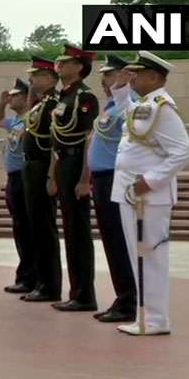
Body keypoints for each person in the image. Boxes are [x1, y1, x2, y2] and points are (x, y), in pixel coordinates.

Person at [111, 51, 189, 336]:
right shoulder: (144, 104)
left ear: (155, 77)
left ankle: (154, 320)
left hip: (149, 196)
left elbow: (182, 150)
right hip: (132, 192)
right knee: (138, 255)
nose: (133, 77)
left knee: (150, 256)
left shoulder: (162, 107)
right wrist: (119, 87)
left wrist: (151, 180)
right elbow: (126, 113)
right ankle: (146, 317)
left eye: (138, 73)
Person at [49, 44, 99, 312]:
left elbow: (89, 138)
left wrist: (84, 179)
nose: (59, 65)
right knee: (69, 229)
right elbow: (58, 135)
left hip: (78, 161)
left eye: (64, 61)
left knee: (79, 231)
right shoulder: (64, 97)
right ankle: (76, 291)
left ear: (79, 66)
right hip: (64, 161)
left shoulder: (85, 97)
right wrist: (53, 174)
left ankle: (84, 295)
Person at [88, 54, 137, 323]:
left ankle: (129, 300)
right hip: (102, 178)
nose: (103, 79)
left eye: (108, 74)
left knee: (119, 240)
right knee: (110, 240)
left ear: (122, 76)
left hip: (114, 177)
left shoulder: (130, 107)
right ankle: (122, 297)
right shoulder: (110, 106)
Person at [20, 57, 62, 303]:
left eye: (37, 75)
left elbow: (56, 141)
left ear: (51, 78)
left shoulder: (53, 103)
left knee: (44, 227)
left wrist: (51, 174)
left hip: (42, 165)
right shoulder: (40, 103)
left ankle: (49, 285)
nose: (32, 79)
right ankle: (40, 280)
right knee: (34, 226)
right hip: (30, 164)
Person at [0, 78, 36, 294]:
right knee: (19, 226)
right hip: (13, 177)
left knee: (27, 227)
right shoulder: (17, 121)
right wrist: (1, 103)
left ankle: (30, 276)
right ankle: (24, 274)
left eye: (16, 95)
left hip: (24, 176)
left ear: (26, 97)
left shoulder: (30, 119)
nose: (11, 98)